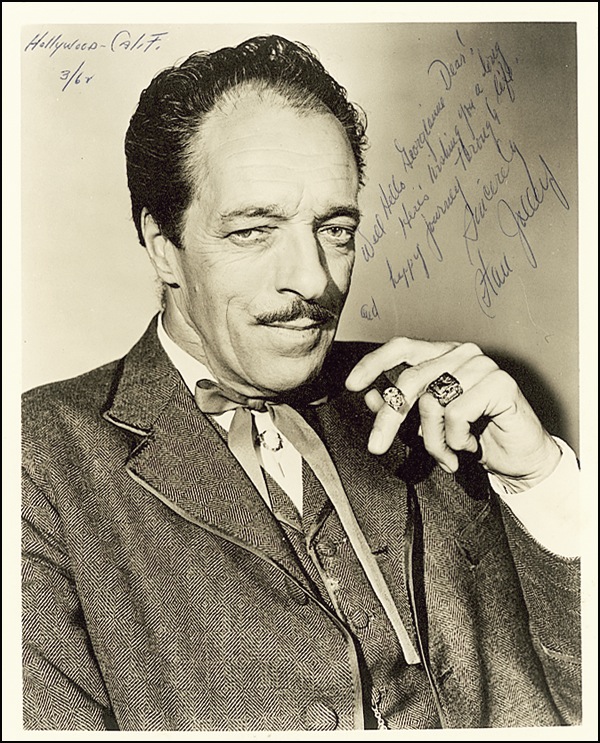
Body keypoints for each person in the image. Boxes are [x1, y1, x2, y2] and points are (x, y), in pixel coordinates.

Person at [21, 35, 581, 731]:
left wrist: (540, 480)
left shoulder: (428, 403)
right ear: (164, 247)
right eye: (255, 230)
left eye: (335, 229)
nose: (314, 280)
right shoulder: (39, 458)